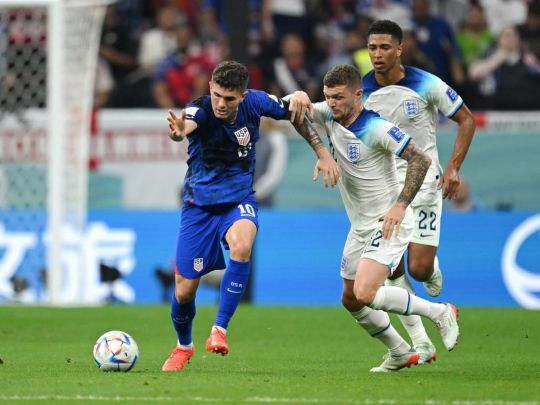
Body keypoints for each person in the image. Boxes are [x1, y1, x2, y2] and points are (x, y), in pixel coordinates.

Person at [161, 60, 339, 372]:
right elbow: (186, 124)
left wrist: (322, 151)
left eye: (229, 98)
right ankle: (183, 346)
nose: (220, 103)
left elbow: (295, 111)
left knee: (242, 245)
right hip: (199, 206)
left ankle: (219, 329)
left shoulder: (256, 102)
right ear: (210, 88)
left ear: (243, 96)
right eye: (217, 95)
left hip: (238, 200)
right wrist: (178, 133)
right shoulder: (200, 110)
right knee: (184, 290)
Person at [289, 64, 460, 372]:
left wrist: (400, 205)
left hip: (389, 222)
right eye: (328, 97)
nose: (331, 104)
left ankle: (440, 312)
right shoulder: (329, 113)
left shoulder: (376, 128)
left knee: (365, 292)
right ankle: (399, 351)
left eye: (338, 97)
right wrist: (299, 98)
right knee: (350, 299)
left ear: (358, 95)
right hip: (360, 227)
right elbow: (294, 112)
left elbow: (420, 160)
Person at [361, 20, 475, 363]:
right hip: (385, 190)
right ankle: (421, 342)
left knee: (420, 270)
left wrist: (453, 167)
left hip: (424, 183)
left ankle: (431, 268)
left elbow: (466, 119)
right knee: (390, 268)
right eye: (372, 47)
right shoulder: (362, 90)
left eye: (385, 47)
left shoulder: (426, 83)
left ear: (400, 49)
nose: (377, 54)